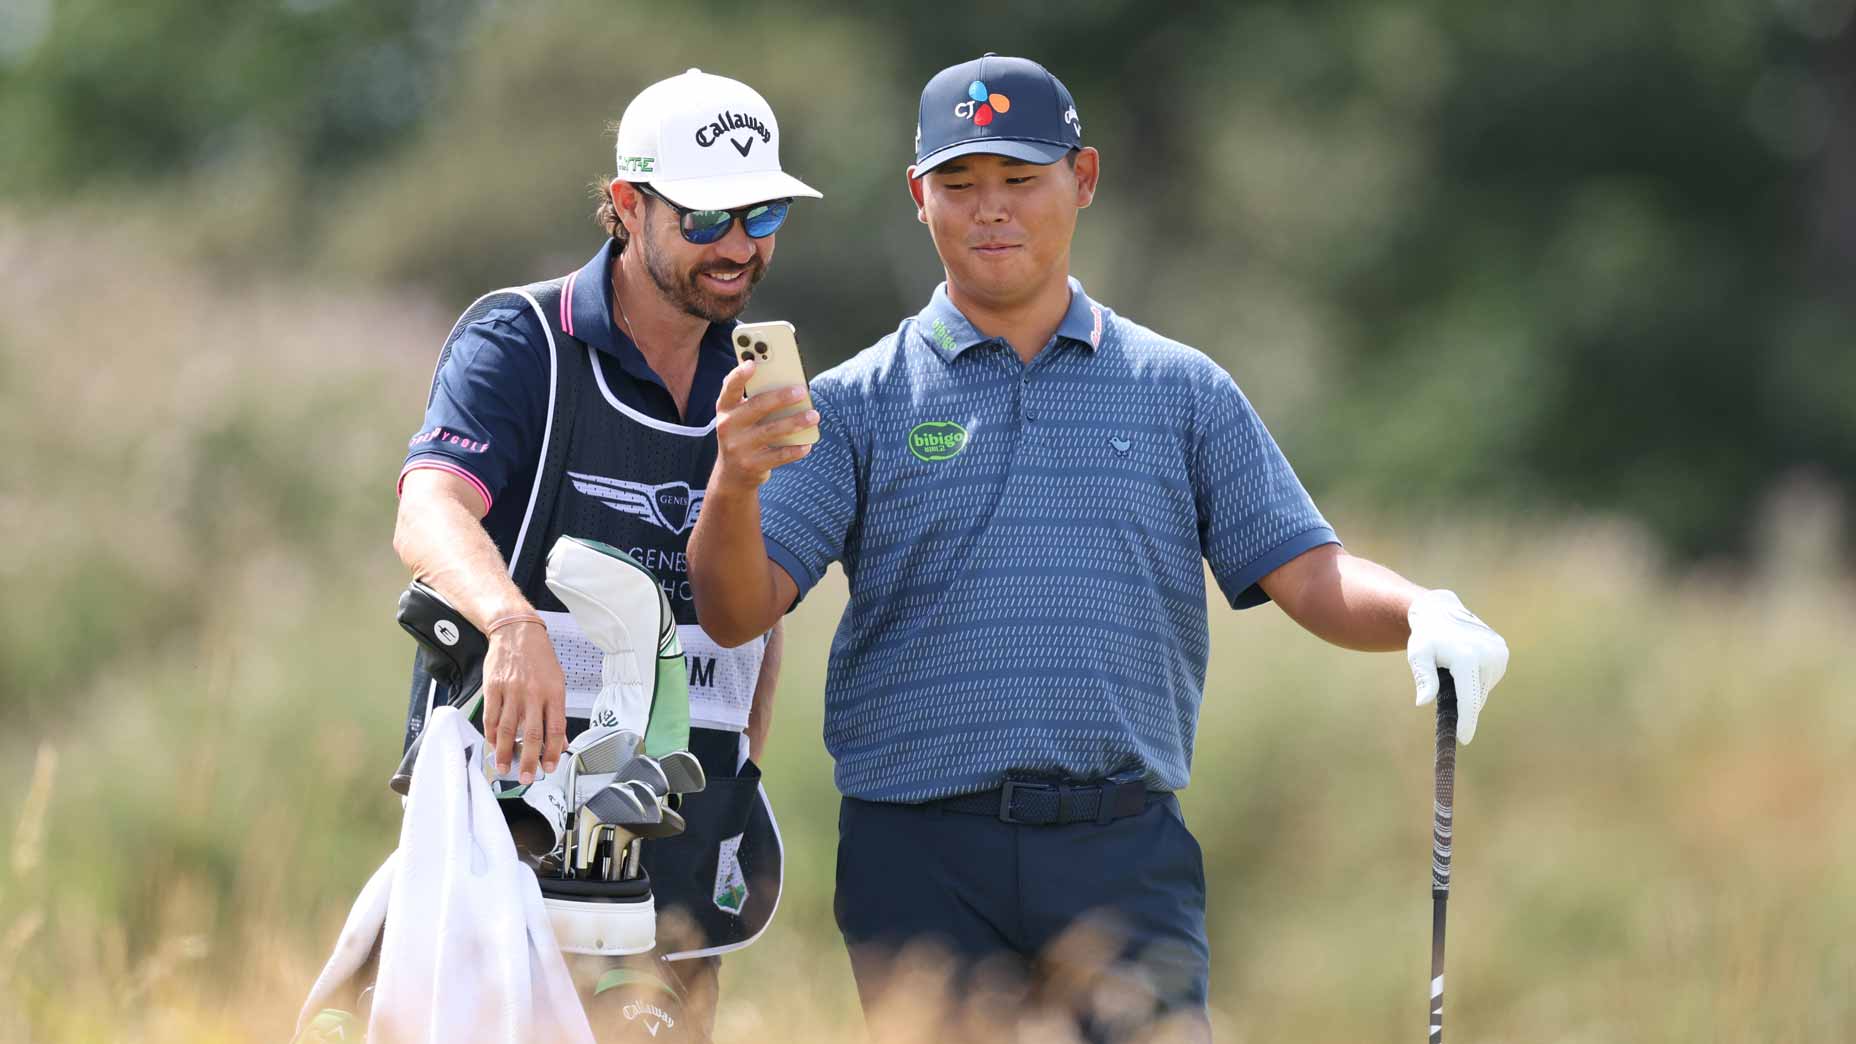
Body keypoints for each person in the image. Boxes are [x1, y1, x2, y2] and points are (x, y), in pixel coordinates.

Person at [686, 53, 1510, 1041]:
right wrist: (733, 483)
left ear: (1079, 181)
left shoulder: (1181, 390)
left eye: (1018, 180)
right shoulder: (855, 402)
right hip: (918, 859)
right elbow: (737, 610)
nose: (988, 209)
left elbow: (1307, 570)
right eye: (957, 184)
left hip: (1121, 853)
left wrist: (1417, 608)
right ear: (918, 197)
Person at [392, 67, 819, 1040]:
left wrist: (744, 773)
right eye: (706, 219)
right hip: (516, 822)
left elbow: (758, 620)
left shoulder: (755, 377)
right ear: (628, 206)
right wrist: (506, 622)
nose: (740, 246)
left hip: (684, 832)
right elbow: (427, 507)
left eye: (761, 214)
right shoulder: (522, 339)